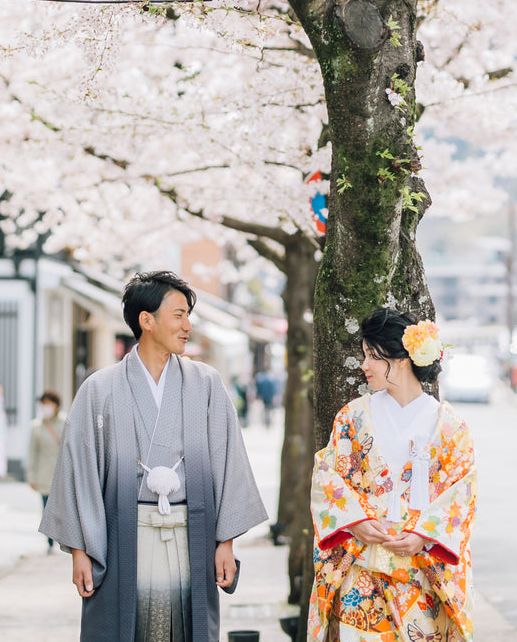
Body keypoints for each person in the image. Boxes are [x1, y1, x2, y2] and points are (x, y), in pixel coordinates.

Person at [40, 270, 268, 642]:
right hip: (122, 537)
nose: (188, 326)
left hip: (191, 536)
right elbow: (78, 470)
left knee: (185, 627)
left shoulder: (206, 384)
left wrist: (226, 542)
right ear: (146, 321)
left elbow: (229, 462)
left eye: (187, 316)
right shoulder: (99, 389)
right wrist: (80, 550)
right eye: (178, 314)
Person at [310, 309, 476, 642]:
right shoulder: (353, 417)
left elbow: (461, 493)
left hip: (422, 568)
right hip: (361, 566)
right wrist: (354, 520)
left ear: (401, 359)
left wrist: (423, 534)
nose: (364, 364)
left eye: (372, 355)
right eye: (365, 355)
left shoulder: (449, 426)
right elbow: (327, 477)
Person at [27, 390, 65, 552]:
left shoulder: (65, 423)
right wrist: (31, 476)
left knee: (61, 509)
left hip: (61, 475)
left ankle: (60, 537)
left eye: (49, 404)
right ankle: (50, 541)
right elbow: (32, 453)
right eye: (44, 404)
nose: (46, 407)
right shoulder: (37, 426)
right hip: (43, 475)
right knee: (46, 509)